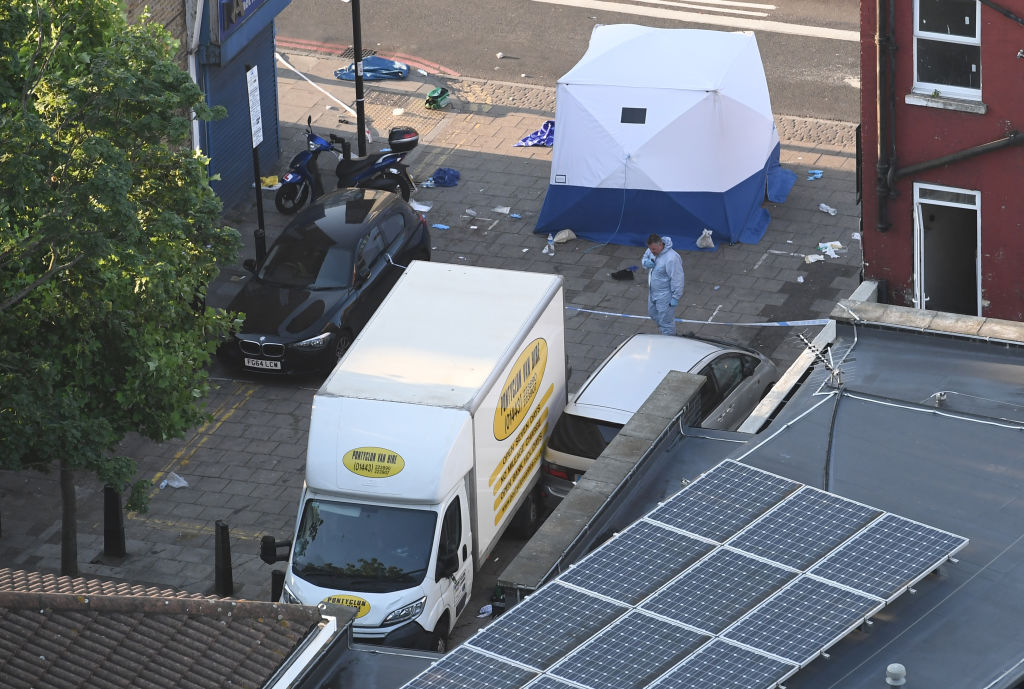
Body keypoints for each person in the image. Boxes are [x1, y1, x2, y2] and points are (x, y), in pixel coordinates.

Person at [642, 233, 684, 335]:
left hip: (665, 296)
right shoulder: (652, 250)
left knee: (666, 321)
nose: (652, 252)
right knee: (653, 314)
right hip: (653, 292)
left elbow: (677, 278)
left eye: (654, 249)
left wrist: (675, 297)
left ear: (661, 245)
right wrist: (645, 262)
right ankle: (665, 332)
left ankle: (669, 340)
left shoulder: (672, 258)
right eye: (651, 249)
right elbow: (645, 257)